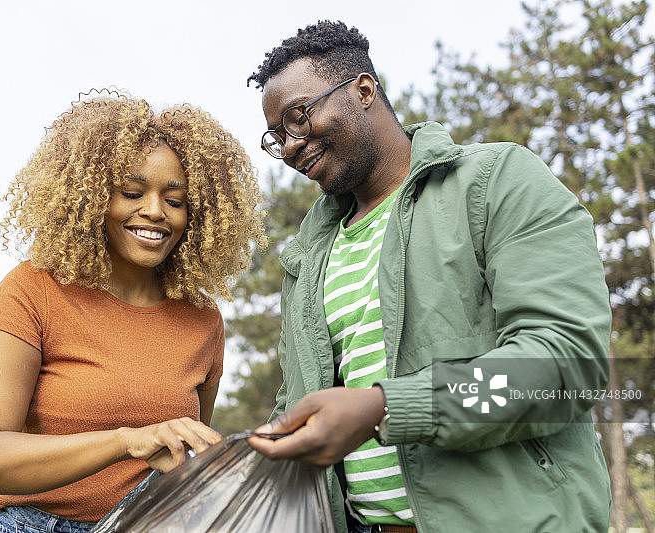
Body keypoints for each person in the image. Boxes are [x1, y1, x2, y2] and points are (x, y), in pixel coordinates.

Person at [246, 21, 612, 533]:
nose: (289, 146)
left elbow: (567, 366)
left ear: (364, 90)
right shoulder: (309, 257)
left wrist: (385, 408)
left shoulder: (496, 181)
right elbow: (298, 404)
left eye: (298, 118)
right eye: (276, 136)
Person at [0, 90, 265, 532]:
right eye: (132, 192)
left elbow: (182, 456)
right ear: (93, 196)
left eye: (175, 201)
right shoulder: (34, 289)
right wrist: (127, 442)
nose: (155, 212)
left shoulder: (202, 318)